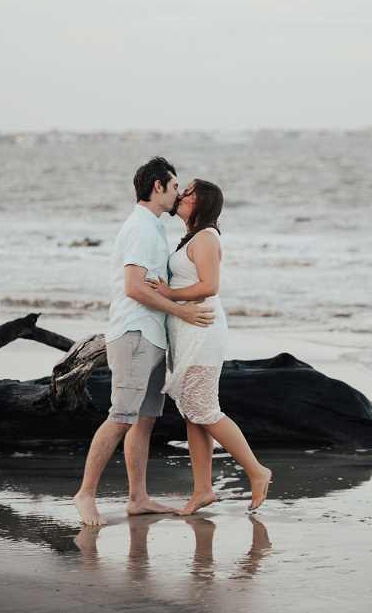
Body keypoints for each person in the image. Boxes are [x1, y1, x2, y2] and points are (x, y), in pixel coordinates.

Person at [73, 157, 216, 526]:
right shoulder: (139, 227)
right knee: (121, 416)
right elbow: (134, 288)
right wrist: (181, 311)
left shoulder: (153, 228)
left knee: (144, 420)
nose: (178, 194)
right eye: (174, 187)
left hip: (153, 337)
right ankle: (85, 494)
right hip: (135, 334)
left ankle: (138, 498)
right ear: (158, 187)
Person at [147, 179, 272, 515]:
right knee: (192, 411)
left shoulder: (204, 237)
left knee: (203, 407)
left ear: (201, 202)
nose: (181, 196)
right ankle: (203, 490)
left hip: (202, 329)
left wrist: (169, 295)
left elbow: (209, 286)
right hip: (188, 330)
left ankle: (257, 472)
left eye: (188, 192)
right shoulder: (193, 236)